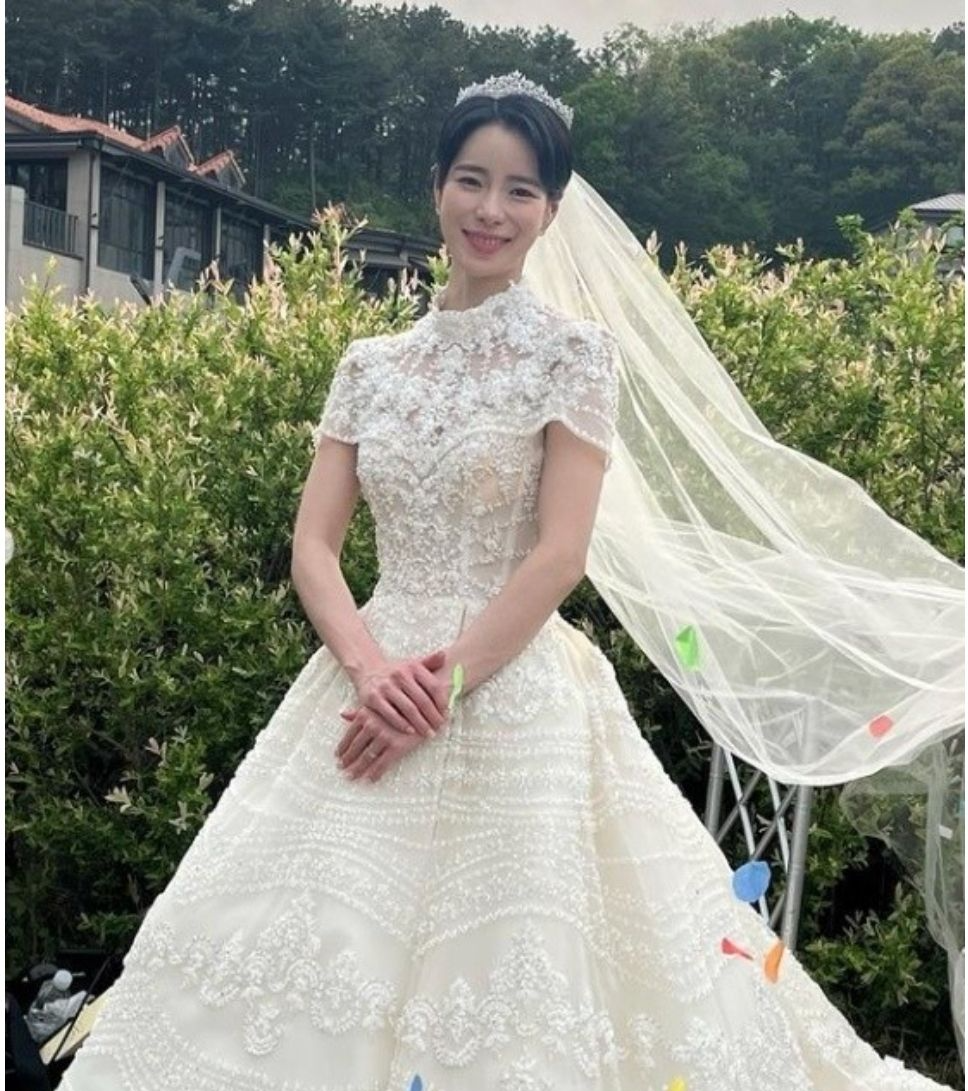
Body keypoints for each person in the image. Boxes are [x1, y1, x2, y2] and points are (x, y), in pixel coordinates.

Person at [58, 76, 957, 1091]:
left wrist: (440, 684)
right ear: (437, 186)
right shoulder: (369, 365)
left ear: (550, 211)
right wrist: (373, 674)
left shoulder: (574, 356)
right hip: (365, 683)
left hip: (510, 685)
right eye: (472, 180)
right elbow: (313, 544)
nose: (491, 209)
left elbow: (559, 553)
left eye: (520, 190)